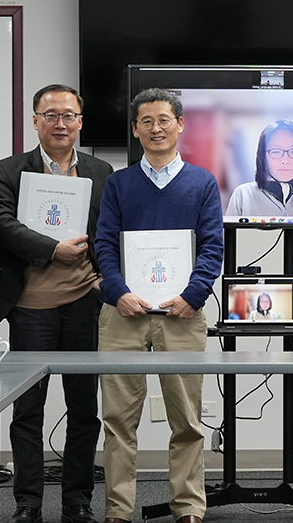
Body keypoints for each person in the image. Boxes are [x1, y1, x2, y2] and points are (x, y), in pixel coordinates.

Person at [0, 84, 111, 523]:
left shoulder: (100, 170)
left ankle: (77, 502)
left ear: (80, 122)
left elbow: (108, 230)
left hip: (84, 303)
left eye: (68, 115)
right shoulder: (10, 169)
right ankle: (28, 504)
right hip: (30, 305)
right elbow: (1, 224)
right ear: (35, 121)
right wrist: (54, 249)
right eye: (50, 115)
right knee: (28, 409)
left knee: (83, 408)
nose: (60, 123)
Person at [94, 88, 223, 523]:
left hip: (182, 314)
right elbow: (104, 245)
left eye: (164, 120)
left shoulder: (202, 183)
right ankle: (117, 511)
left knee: (186, 421)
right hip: (124, 314)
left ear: (180, 125)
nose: (156, 128)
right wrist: (117, 291)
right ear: (135, 129)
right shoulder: (119, 183)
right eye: (146, 121)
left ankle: (188, 508)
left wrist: (192, 296)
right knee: (117, 421)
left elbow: (212, 248)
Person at [224, 119, 293, 217]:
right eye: (276, 152)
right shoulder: (243, 195)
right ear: (263, 157)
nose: (285, 160)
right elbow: (228, 236)